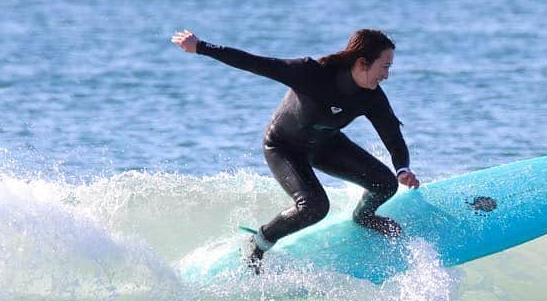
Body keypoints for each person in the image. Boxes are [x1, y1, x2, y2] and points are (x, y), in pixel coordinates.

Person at [171, 28, 420, 271]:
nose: (386, 75)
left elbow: (392, 135)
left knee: (386, 184)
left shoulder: (371, 95)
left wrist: (402, 168)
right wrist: (201, 47)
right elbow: (255, 63)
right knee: (314, 206)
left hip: (325, 144)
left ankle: (364, 216)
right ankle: (258, 242)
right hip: (283, 147)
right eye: (385, 66)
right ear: (363, 62)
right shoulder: (312, 73)